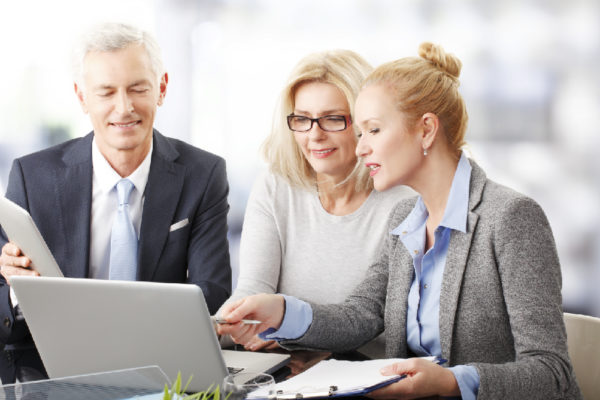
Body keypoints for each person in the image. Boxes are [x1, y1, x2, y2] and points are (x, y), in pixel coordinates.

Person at [217, 42, 582, 399]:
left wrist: (449, 382)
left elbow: (552, 373)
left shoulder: (511, 218)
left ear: (425, 130)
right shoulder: (406, 218)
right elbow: (361, 316)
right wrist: (281, 311)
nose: (361, 148)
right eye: (360, 133)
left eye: (373, 130)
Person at [0, 22, 231, 384]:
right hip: (48, 374)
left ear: (162, 88)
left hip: (162, 370)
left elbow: (212, 295)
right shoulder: (32, 177)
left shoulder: (203, 174)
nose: (124, 108)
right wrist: (19, 291)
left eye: (138, 88)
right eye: (106, 92)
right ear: (82, 98)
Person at [219, 50, 411, 357]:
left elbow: (366, 319)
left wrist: (286, 325)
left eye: (333, 119)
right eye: (302, 119)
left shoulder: (404, 203)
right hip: (286, 371)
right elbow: (253, 289)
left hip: (365, 375)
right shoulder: (275, 185)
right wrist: (228, 325)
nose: (315, 135)